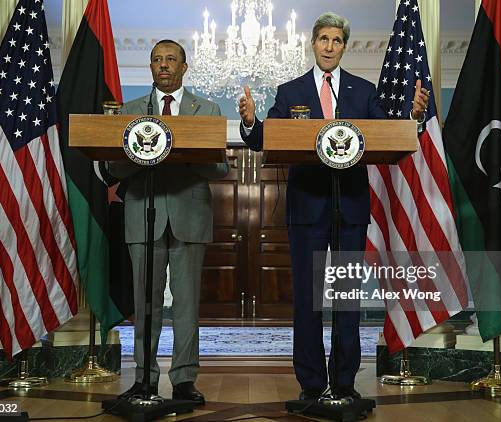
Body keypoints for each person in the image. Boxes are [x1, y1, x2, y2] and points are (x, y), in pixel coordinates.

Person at [238, 12, 429, 400]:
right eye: (323, 38)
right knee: (308, 303)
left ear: (345, 46)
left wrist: (412, 117)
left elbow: (385, 134)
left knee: (346, 302)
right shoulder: (290, 92)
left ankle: (343, 383)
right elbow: (266, 138)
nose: (329, 46)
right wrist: (250, 122)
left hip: (351, 209)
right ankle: (311, 384)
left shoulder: (361, 91)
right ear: (313, 43)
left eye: (336, 40)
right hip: (307, 210)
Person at [107, 40, 229, 405]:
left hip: (189, 215)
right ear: (150, 67)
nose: (164, 65)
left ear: (183, 67)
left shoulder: (207, 110)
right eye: (157, 60)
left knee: (187, 305)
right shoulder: (128, 112)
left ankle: (184, 380)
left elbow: (220, 167)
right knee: (146, 304)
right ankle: (144, 378)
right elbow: (113, 168)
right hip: (142, 213)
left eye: (170, 59)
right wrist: (147, 153)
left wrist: (182, 154)